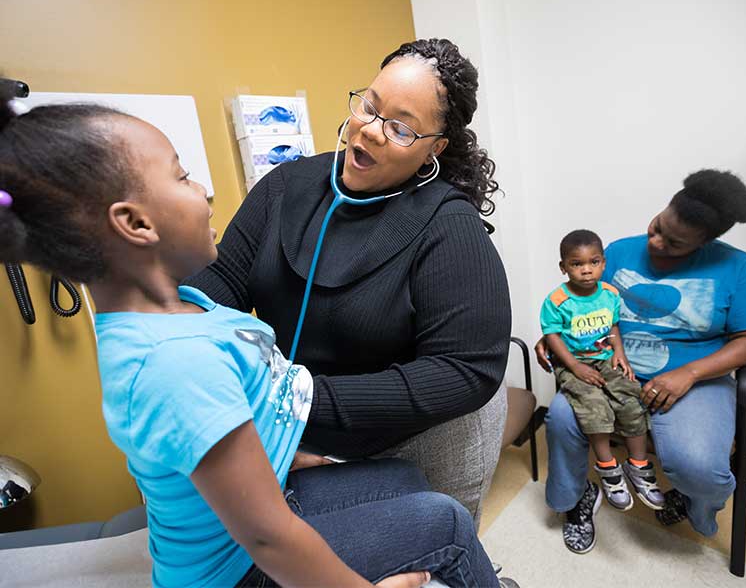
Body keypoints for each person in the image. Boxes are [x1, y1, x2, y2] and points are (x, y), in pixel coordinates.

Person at [0, 91, 506, 587]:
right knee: (447, 523)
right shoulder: (174, 361)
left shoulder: (189, 307)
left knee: (403, 480)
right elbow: (269, 539)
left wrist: (288, 450)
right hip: (240, 569)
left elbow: (243, 414)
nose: (204, 190)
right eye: (182, 177)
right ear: (134, 224)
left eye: (400, 125)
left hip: (266, 500)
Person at [188, 38, 512, 525]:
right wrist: (177, 334)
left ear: (434, 150)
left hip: (409, 436)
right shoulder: (284, 187)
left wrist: (296, 403)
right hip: (287, 421)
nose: (372, 131)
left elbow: (466, 370)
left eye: (401, 127)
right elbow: (222, 279)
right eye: (369, 106)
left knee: (431, 556)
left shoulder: (449, 227)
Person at [536, 170, 746, 554]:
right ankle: (576, 497)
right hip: (609, 369)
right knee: (562, 421)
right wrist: (555, 337)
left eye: (674, 243)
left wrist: (689, 373)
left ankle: (689, 501)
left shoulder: (738, 267)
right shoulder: (616, 252)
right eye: (658, 226)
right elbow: (580, 306)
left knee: (700, 468)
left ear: (706, 242)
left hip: (694, 382)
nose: (656, 241)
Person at [540, 229, 665, 553]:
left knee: (631, 401)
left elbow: (612, 328)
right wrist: (575, 368)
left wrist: (619, 354)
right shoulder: (556, 301)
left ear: (603, 263)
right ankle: (608, 470)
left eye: (593, 262)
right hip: (574, 365)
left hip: (607, 361)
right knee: (594, 408)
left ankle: (638, 466)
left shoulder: (609, 293)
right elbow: (553, 337)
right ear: (563, 267)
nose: (586, 269)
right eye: (576, 263)